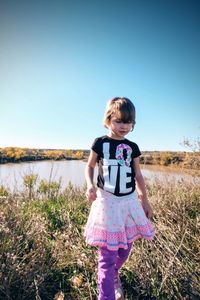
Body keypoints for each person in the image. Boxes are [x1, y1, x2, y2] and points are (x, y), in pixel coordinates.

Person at [84, 97, 155, 300]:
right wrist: (90, 185)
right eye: (118, 121)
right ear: (108, 120)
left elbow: (138, 175)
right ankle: (105, 294)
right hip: (107, 204)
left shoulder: (133, 147)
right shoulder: (100, 143)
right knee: (107, 256)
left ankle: (115, 274)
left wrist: (145, 200)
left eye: (128, 122)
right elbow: (89, 166)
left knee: (124, 250)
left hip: (130, 202)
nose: (124, 126)